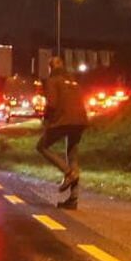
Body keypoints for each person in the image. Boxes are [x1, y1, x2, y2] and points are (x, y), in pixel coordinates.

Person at [38, 56, 88, 209]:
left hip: (64, 120)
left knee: (42, 146)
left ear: (50, 67)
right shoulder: (73, 81)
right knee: (72, 153)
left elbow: (52, 104)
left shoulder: (52, 81)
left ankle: (68, 172)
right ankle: (73, 199)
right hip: (81, 120)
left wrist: (46, 119)